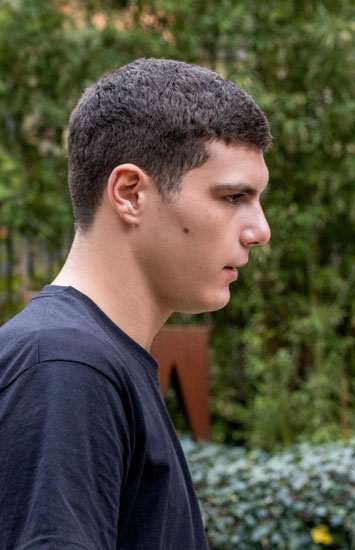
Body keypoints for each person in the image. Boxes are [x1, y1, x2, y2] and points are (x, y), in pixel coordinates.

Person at [0, 58, 271, 548]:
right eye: (233, 198)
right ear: (129, 194)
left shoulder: (96, 359)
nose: (260, 231)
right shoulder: (65, 366)